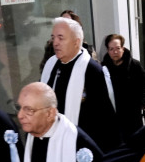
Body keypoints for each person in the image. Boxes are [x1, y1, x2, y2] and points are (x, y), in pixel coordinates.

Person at [41, 17, 120, 152]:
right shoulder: (51, 65)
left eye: (61, 38)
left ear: (76, 42)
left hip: (84, 147)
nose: (55, 43)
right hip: (55, 142)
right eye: (53, 37)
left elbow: (106, 120)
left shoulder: (92, 71)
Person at [103, 33, 145, 139]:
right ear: (108, 51)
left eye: (117, 48)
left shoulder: (134, 65)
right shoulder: (103, 68)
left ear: (123, 48)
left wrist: (143, 103)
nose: (115, 52)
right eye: (111, 49)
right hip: (113, 118)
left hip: (133, 117)